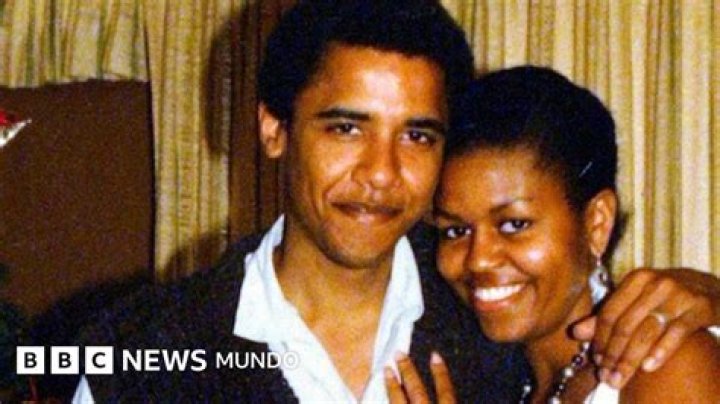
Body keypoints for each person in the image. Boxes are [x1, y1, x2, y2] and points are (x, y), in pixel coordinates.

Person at [74, 2, 720, 402]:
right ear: (274, 129)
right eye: (346, 128)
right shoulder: (144, 352)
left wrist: (707, 299)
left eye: (416, 135)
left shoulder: (491, 315)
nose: (381, 174)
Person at [387, 66, 720, 403]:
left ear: (596, 224)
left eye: (514, 224)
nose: (478, 259)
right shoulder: (510, 382)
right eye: (456, 230)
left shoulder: (663, 365)